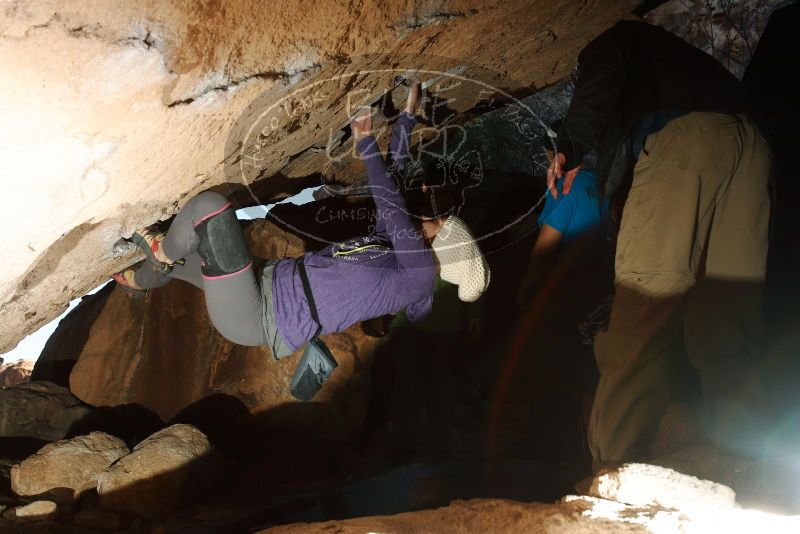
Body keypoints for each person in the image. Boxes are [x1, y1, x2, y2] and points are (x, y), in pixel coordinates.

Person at [113, 83, 490, 364]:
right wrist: (406, 116)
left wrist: (365, 143)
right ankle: (139, 281)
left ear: (436, 249)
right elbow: (394, 181)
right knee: (178, 261)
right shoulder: (391, 255)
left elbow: (391, 206)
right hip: (265, 279)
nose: (426, 217)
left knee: (209, 209)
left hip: (257, 315)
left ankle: (161, 250)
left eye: (436, 222)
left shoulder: (420, 275)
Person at [547, 20, 771, 467]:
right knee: (726, 324)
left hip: (686, 141)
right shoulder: (680, 62)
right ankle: (747, 465)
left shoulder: (616, 37)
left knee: (641, 312)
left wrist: (568, 142)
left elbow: (605, 67)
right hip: (751, 145)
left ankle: (615, 476)